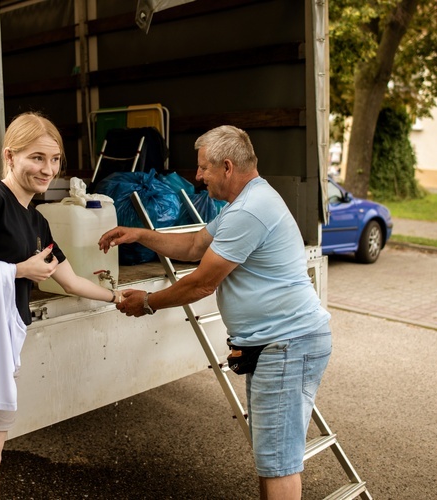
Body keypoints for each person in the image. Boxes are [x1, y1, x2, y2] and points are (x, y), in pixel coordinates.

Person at [98, 125, 332, 500]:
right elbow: (193, 244)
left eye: (203, 167)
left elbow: (202, 282)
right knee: (270, 458)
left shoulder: (251, 210)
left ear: (227, 166)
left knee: (280, 463)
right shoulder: (244, 203)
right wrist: (140, 234)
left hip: (287, 345)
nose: (197, 176)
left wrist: (147, 303)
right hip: (277, 346)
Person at [0, 112, 121, 500]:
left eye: (55, 160)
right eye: (37, 158)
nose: (48, 170)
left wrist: (119, 297)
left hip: (0, 353)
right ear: (11, 157)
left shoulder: (36, 219)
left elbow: (70, 280)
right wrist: (16, 271)